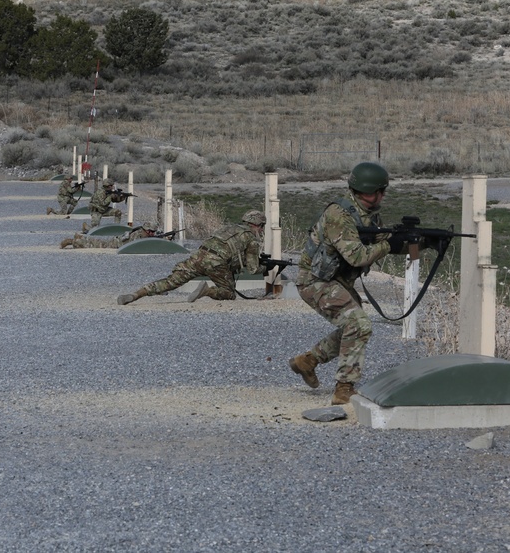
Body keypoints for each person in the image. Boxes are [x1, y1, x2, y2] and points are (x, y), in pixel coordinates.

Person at [287, 162, 411, 405]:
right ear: (368, 191)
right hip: (315, 281)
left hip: (336, 281)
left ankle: (308, 361)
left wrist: (415, 242)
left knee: (353, 327)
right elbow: (358, 256)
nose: (382, 196)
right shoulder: (339, 215)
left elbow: (384, 241)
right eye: (379, 191)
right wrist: (389, 245)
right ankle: (344, 389)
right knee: (359, 324)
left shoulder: (370, 215)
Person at [117, 210, 266, 305]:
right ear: (258, 225)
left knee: (170, 281)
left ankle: (136, 294)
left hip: (198, 256)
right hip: (216, 263)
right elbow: (253, 269)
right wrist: (266, 268)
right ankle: (206, 291)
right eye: (262, 226)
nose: (261, 230)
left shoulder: (228, 228)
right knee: (229, 293)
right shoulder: (251, 239)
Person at [60, 222, 158, 249]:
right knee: (94, 245)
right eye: (152, 232)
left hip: (117, 241)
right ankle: (73, 242)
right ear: (147, 230)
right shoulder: (140, 235)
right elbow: (140, 246)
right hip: (115, 245)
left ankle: (81, 237)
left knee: (96, 242)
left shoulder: (140, 231)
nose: (153, 234)